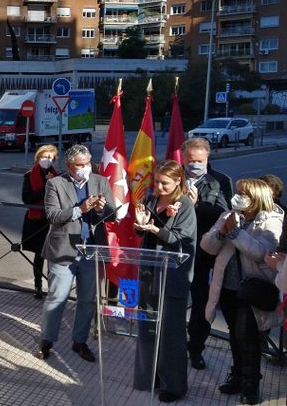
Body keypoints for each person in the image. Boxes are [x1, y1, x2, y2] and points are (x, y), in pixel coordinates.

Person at [201, 178, 282, 405]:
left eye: (242, 193)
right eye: (237, 192)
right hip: (227, 286)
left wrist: (235, 233)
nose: (237, 196)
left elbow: (261, 253)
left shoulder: (271, 219)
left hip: (251, 289)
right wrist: (220, 233)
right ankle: (236, 375)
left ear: (255, 196)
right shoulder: (230, 215)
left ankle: (251, 384)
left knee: (248, 337)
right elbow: (207, 246)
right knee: (234, 335)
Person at [38, 144, 114, 363]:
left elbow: (111, 216)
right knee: (56, 298)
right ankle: (46, 341)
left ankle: (79, 341)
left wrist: (100, 209)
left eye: (88, 163)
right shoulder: (55, 183)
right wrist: (80, 210)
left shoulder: (101, 181)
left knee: (88, 300)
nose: (85, 168)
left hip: (92, 250)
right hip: (63, 251)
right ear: (70, 165)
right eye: (80, 165)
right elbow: (53, 215)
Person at [132, 160, 197, 403]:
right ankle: (149, 377)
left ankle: (173, 385)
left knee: (171, 332)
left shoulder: (185, 206)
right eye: (156, 182)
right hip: (149, 272)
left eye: (164, 183)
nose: (158, 187)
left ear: (178, 181)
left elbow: (183, 240)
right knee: (147, 326)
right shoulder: (150, 200)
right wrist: (140, 226)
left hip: (172, 276)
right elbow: (142, 232)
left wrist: (155, 229)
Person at [182, 137, 233, 370]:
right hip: (174, 249)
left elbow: (224, 216)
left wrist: (196, 206)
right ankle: (172, 343)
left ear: (207, 158)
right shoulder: (173, 177)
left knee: (201, 302)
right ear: (183, 158)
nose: (195, 165)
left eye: (199, 161)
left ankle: (196, 348)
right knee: (174, 300)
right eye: (191, 160)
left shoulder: (220, 181)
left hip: (203, 252)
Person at [21, 145, 59, 299]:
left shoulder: (57, 175)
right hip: (37, 220)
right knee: (39, 255)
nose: (47, 160)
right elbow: (27, 198)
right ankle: (38, 286)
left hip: (53, 220)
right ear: (37, 158)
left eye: (50, 158)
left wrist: (54, 183)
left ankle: (52, 287)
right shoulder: (29, 176)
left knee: (53, 256)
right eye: (44, 157)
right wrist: (46, 187)